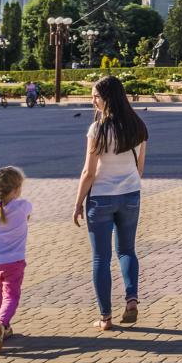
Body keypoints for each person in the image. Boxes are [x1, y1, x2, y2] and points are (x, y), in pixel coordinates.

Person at [73, 76, 147, 331]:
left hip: (101, 198)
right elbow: (139, 168)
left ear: (108, 98)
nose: (92, 100)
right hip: (130, 195)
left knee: (100, 259)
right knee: (127, 250)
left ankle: (105, 318)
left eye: (95, 96)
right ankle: (131, 299)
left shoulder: (98, 129)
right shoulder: (137, 126)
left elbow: (89, 172)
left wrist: (78, 202)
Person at [0, 166, 31, 354]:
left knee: (2, 293)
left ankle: (3, 327)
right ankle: (1, 324)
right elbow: (27, 213)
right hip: (15, 262)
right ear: (17, 189)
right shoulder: (23, 205)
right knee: (11, 296)